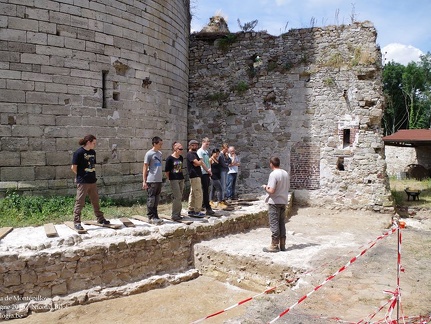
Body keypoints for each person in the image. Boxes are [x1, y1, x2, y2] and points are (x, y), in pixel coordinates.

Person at [71, 134, 110, 230]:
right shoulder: (78, 153)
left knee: (95, 201)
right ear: (88, 142)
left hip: (92, 181)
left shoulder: (93, 152)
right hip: (83, 182)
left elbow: (92, 166)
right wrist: (80, 175)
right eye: (94, 143)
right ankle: (77, 222)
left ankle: (100, 219)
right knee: (80, 202)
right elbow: (73, 167)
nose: (94, 145)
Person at [262, 157, 290, 253]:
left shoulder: (273, 174)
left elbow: (271, 190)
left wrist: (265, 187)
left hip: (274, 201)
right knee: (281, 223)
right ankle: (282, 244)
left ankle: (274, 245)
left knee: (274, 223)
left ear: (271, 164)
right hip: (283, 201)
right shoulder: (285, 173)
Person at [143, 136, 164, 225]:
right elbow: (145, 167)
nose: (161, 146)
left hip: (159, 179)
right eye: (159, 144)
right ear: (155, 144)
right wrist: (144, 181)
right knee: (151, 198)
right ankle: (150, 216)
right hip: (151, 179)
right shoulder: (149, 154)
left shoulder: (159, 153)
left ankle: (155, 216)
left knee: (156, 199)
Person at [165, 142, 185, 221]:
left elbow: (180, 168)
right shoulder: (169, 158)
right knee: (177, 196)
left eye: (182, 149)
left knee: (180, 196)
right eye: (180, 149)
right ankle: (174, 215)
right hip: (174, 179)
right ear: (175, 149)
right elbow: (167, 171)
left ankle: (178, 214)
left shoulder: (181, 158)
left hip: (181, 178)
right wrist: (170, 179)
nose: (181, 150)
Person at [186, 140, 206, 218]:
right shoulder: (190, 154)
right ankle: (197, 211)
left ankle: (191, 209)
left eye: (197, 145)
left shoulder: (194, 154)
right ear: (190, 146)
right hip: (195, 175)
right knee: (198, 193)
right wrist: (199, 161)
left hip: (196, 175)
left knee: (193, 193)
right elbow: (197, 163)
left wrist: (198, 162)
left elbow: (197, 163)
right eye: (194, 145)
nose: (196, 147)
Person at [197, 137, 215, 216]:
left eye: (208, 144)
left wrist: (210, 169)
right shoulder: (200, 151)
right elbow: (202, 162)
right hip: (203, 172)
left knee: (206, 190)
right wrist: (207, 170)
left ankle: (205, 205)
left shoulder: (206, 151)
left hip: (207, 172)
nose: (207, 145)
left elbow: (208, 161)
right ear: (203, 142)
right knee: (205, 190)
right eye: (206, 144)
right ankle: (207, 207)